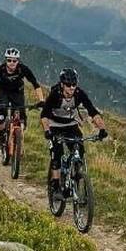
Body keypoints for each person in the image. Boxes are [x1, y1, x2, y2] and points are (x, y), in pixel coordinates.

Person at [39, 67, 107, 196]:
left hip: (70, 125)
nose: (71, 88)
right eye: (68, 85)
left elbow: (93, 112)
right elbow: (44, 115)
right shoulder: (55, 94)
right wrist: (47, 130)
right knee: (56, 154)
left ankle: (75, 178)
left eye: (74, 85)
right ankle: (55, 186)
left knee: (79, 151)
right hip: (55, 125)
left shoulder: (79, 94)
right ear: (62, 84)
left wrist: (102, 128)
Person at [0, 47, 44, 150]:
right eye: (9, 60)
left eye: (14, 60)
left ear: (18, 61)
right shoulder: (0, 70)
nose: (12, 63)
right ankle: (1, 136)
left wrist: (41, 100)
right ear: (6, 60)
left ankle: (17, 138)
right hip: (3, 92)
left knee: (21, 117)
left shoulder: (23, 69)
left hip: (18, 93)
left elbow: (36, 85)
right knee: (1, 115)